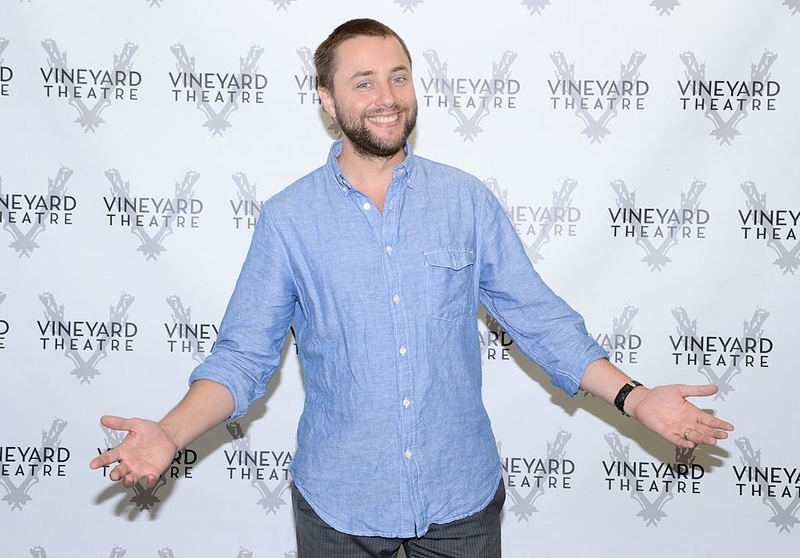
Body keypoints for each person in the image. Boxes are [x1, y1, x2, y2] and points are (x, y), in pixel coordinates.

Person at [90, 18, 734, 558]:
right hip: (338, 505)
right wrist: (171, 435)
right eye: (362, 81)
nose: (387, 95)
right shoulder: (289, 219)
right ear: (326, 98)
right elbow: (242, 356)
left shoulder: (466, 201)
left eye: (398, 76)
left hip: (462, 501)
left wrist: (636, 397)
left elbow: (541, 322)